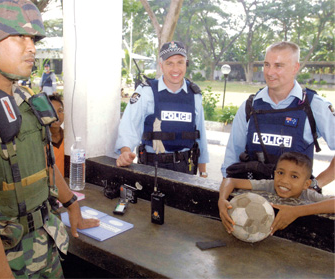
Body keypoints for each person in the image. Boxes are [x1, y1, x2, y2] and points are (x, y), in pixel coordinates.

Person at [0, 1, 99, 278]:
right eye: (19, 36)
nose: (32, 47)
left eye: (33, 39)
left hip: (45, 248)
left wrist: (71, 204)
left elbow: (44, 165)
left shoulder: (25, 98)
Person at [222, 41, 335, 191]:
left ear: (295, 67)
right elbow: (231, 159)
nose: (269, 72)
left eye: (278, 66)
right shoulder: (250, 107)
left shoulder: (314, 107)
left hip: (295, 205)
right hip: (251, 200)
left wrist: (315, 185)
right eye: (267, 64)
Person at [115, 41, 209, 177]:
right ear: (161, 66)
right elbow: (129, 128)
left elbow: (201, 137)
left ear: (186, 64)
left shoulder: (194, 95)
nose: (175, 69)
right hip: (152, 167)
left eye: (180, 62)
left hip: (186, 169)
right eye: (169, 63)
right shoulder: (145, 91)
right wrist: (125, 152)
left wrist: (203, 172)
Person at [218, 152, 335, 235]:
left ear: (306, 184)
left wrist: (296, 211)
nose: (284, 180)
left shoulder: (308, 195)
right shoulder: (269, 185)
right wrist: (222, 200)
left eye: (294, 176)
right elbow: (230, 181)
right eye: (280, 173)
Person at [49, 94, 65, 177]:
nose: (57, 116)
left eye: (60, 111)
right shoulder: (41, 140)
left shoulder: (68, 138)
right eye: (52, 112)